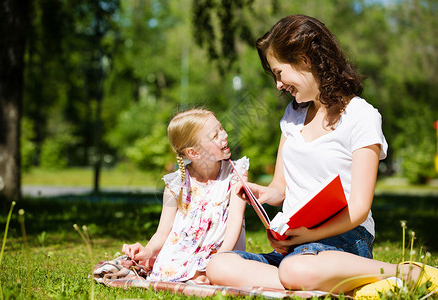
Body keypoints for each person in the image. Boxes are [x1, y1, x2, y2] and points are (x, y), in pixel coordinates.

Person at [206, 14, 437, 297]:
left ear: (304, 59)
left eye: (279, 73)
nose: (278, 84)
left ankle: (405, 272)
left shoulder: (361, 116)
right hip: (296, 247)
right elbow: (280, 188)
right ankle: (345, 284)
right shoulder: (292, 116)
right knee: (219, 265)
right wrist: (261, 194)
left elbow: (359, 208)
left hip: (344, 241)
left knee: (294, 271)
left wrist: (310, 236)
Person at [122, 108, 248, 284]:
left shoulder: (236, 174)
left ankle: (203, 275)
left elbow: (235, 221)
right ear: (194, 153)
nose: (224, 135)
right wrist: (147, 251)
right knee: (167, 268)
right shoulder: (176, 184)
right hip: (184, 250)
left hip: (222, 250)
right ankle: (195, 276)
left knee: (214, 271)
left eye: (221, 128)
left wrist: (219, 259)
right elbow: (163, 232)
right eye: (215, 136)